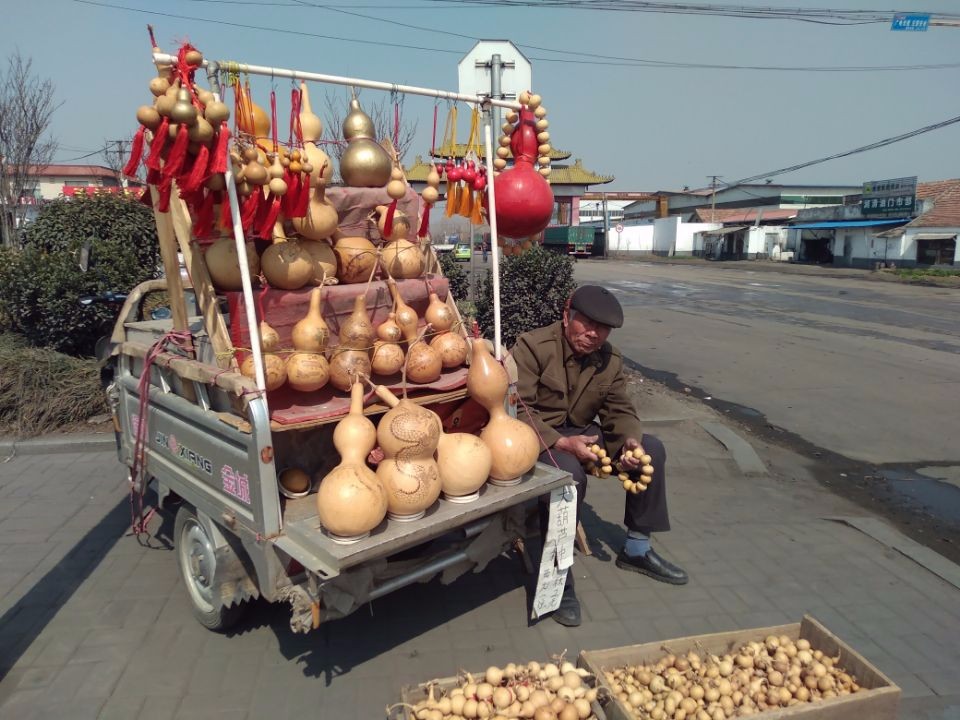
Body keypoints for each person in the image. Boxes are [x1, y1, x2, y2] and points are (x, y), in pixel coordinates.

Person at [512, 285, 688, 627]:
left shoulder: (610, 359)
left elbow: (619, 409)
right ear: (567, 316)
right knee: (569, 478)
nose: (593, 334)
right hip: (541, 437)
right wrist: (563, 444)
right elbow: (519, 411)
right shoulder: (533, 347)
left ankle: (636, 549)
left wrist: (630, 443)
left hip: (582, 433)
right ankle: (559, 579)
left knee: (652, 449)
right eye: (586, 324)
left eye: (602, 329)